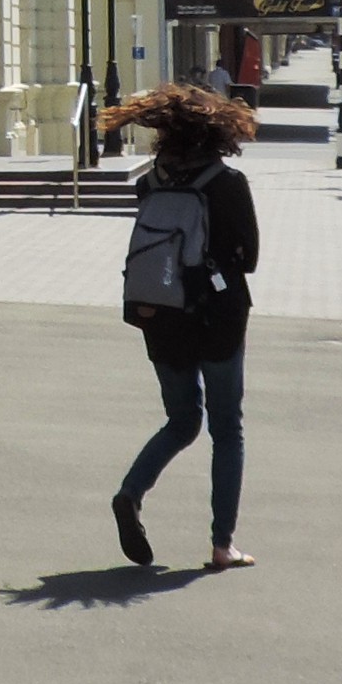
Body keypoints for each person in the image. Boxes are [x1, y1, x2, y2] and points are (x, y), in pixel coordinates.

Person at [104, 81, 263, 572]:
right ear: (219, 133)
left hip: (162, 318)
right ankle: (222, 545)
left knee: (181, 420)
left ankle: (131, 492)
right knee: (227, 429)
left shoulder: (149, 184)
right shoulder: (227, 183)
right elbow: (250, 259)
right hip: (218, 320)